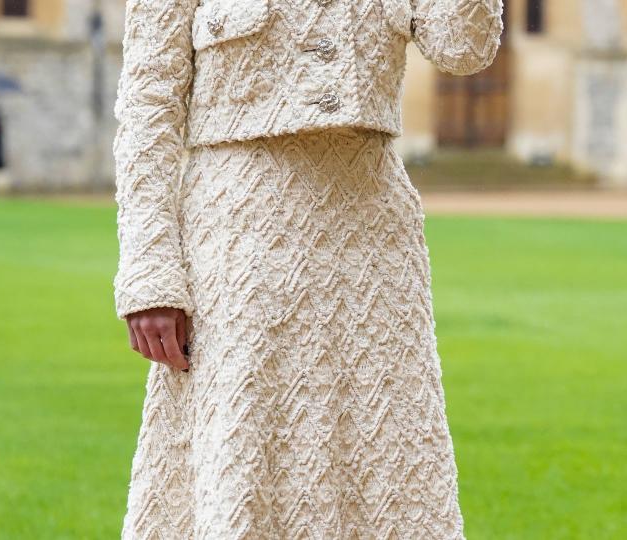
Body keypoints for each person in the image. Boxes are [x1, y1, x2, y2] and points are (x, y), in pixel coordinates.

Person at [112, 0, 503, 537]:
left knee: (385, 454)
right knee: (245, 459)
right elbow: (148, 107)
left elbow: (465, 49)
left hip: (372, 246)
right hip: (237, 247)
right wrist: (150, 272)